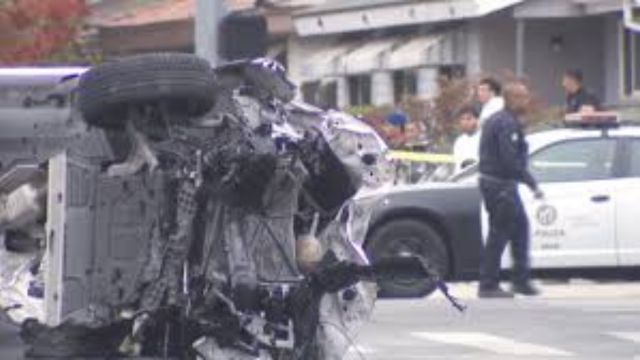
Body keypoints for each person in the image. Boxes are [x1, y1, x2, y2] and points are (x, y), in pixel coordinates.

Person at [477, 80, 543, 299]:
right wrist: (532, 183)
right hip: (500, 186)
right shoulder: (505, 123)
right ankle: (488, 284)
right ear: (512, 98)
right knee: (499, 234)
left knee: (520, 229)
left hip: (500, 185)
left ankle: (520, 281)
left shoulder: (502, 120)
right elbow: (510, 161)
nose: (527, 100)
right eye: (523, 96)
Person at [453, 106, 480, 172]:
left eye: (469, 119)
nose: (465, 122)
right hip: (463, 180)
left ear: (477, 120)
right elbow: (457, 167)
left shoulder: (485, 138)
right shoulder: (459, 142)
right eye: (462, 119)